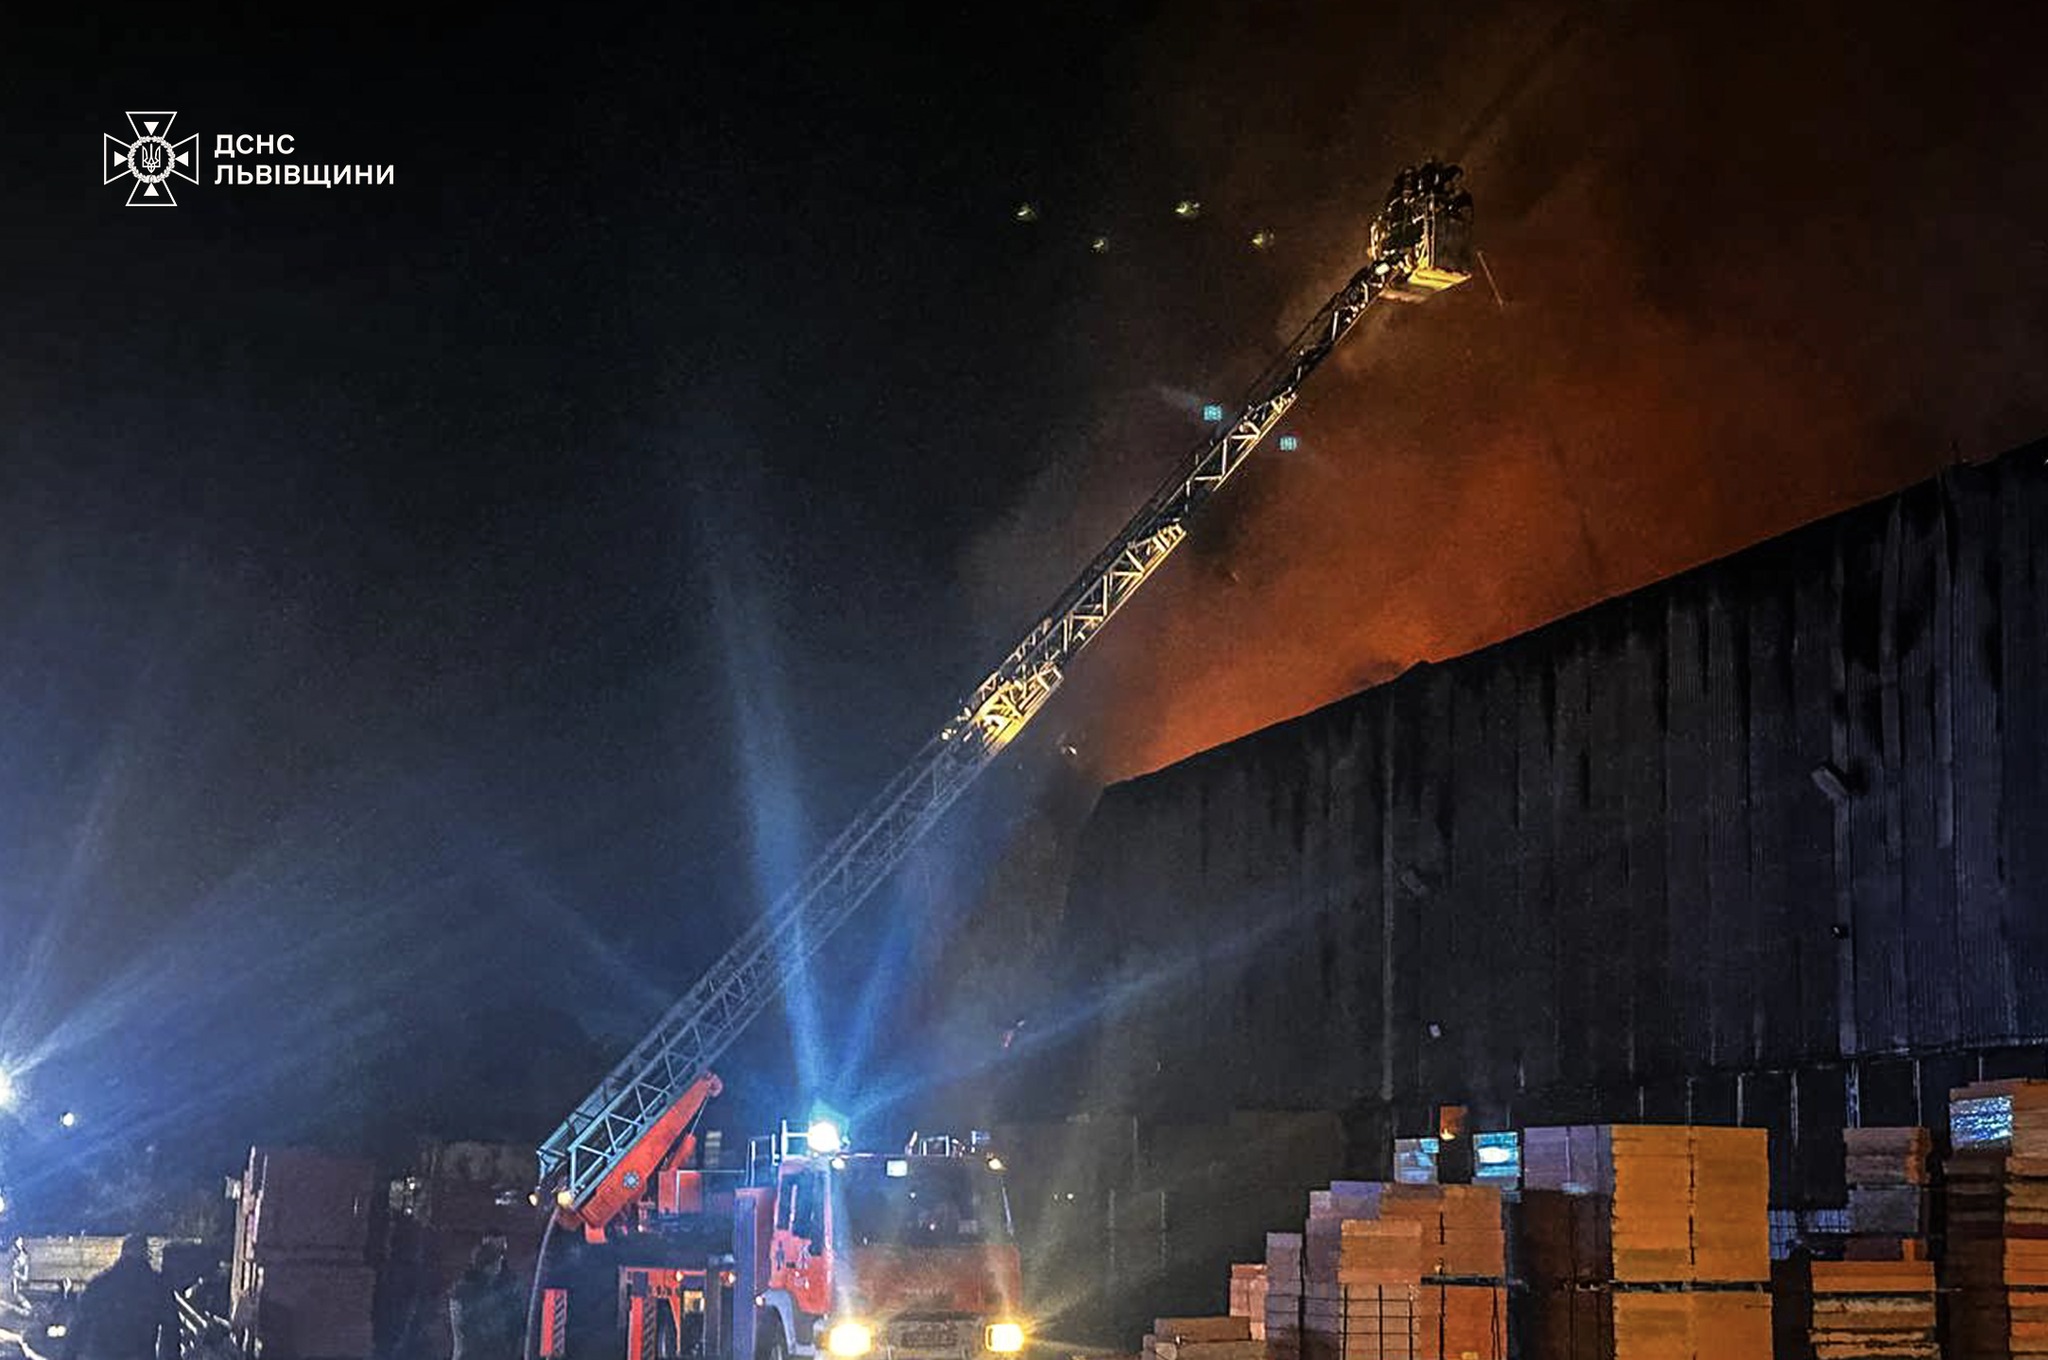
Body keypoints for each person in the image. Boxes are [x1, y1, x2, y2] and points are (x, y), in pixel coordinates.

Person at [62, 1234, 177, 1360]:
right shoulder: (157, 1287)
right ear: (146, 1255)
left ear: (122, 1254)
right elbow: (170, 1330)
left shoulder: (101, 1285)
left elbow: (80, 1325)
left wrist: (69, 1355)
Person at [449, 1234, 523, 1360]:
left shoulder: (465, 1290)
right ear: (490, 1266)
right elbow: (485, 1331)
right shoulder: (472, 1293)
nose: (500, 1266)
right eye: (498, 1262)